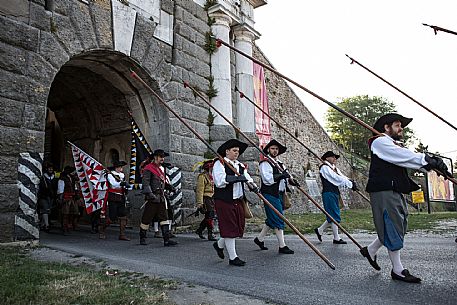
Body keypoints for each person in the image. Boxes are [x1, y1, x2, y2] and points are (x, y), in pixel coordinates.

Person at [360, 113, 450, 283]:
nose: (401, 128)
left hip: (393, 189)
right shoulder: (380, 141)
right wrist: (428, 160)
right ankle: (398, 270)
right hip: (384, 189)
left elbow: (408, 159)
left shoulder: (393, 143)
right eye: (397, 125)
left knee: (397, 223)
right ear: (386, 127)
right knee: (392, 224)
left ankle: (370, 250)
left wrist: (432, 166)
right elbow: (403, 157)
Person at [212, 139, 258, 266]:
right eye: (234, 150)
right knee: (230, 227)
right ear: (227, 151)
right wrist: (237, 178)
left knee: (236, 227)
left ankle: (219, 244)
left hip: (237, 200)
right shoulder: (219, 163)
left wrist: (253, 186)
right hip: (224, 200)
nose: (236, 153)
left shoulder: (240, 166)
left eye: (238, 151)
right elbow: (220, 182)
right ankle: (233, 257)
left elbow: (248, 178)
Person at [254, 139, 296, 254]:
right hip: (269, 193)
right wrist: (281, 175)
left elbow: (287, 176)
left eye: (276, 149)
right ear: (268, 149)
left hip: (280, 193)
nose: (275, 151)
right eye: (273, 148)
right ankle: (282, 246)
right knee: (278, 218)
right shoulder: (265, 163)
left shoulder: (279, 163)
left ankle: (259, 239)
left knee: (272, 218)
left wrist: (291, 180)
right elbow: (267, 179)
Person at [314, 151, 356, 245]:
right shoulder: (324, 167)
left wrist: (351, 182)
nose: (335, 159)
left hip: (335, 192)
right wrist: (349, 184)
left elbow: (342, 176)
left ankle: (320, 230)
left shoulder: (334, 168)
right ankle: (336, 238)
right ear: (327, 158)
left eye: (335, 157)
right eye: (333, 157)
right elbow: (335, 178)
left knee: (332, 214)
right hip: (328, 193)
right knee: (334, 215)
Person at [139, 149, 177, 246]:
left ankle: (166, 240)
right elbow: (146, 184)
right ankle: (142, 238)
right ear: (155, 157)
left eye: (163, 157)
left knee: (164, 218)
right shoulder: (148, 168)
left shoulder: (162, 169)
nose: (162, 159)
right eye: (161, 157)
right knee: (146, 218)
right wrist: (150, 195)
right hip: (152, 198)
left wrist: (170, 187)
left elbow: (163, 182)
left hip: (161, 198)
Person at [101, 160, 130, 241]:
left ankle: (122, 234)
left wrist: (125, 187)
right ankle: (102, 230)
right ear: (116, 168)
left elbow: (122, 185)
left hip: (121, 197)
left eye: (121, 167)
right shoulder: (110, 175)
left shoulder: (122, 175)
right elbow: (113, 184)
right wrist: (122, 184)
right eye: (120, 167)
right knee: (112, 217)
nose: (121, 168)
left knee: (123, 216)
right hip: (113, 197)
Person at [194, 159, 217, 241]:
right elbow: (199, 190)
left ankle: (199, 230)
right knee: (210, 216)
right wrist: (199, 202)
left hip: (212, 198)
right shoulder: (202, 176)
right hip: (206, 198)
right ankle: (210, 234)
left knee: (210, 216)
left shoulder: (214, 176)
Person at [57, 166, 79, 235]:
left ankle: (69, 226)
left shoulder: (72, 178)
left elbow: (74, 188)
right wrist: (61, 198)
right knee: (65, 214)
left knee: (74, 212)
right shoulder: (62, 179)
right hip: (66, 198)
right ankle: (64, 228)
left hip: (72, 198)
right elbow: (60, 190)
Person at [37, 161, 58, 232]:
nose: (50, 170)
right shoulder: (43, 177)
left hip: (51, 197)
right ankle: (47, 225)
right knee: (45, 209)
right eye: (49, 169)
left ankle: (42, 224)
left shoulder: (54, 177)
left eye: (51, 169)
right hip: (44, 196)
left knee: (48, 210)